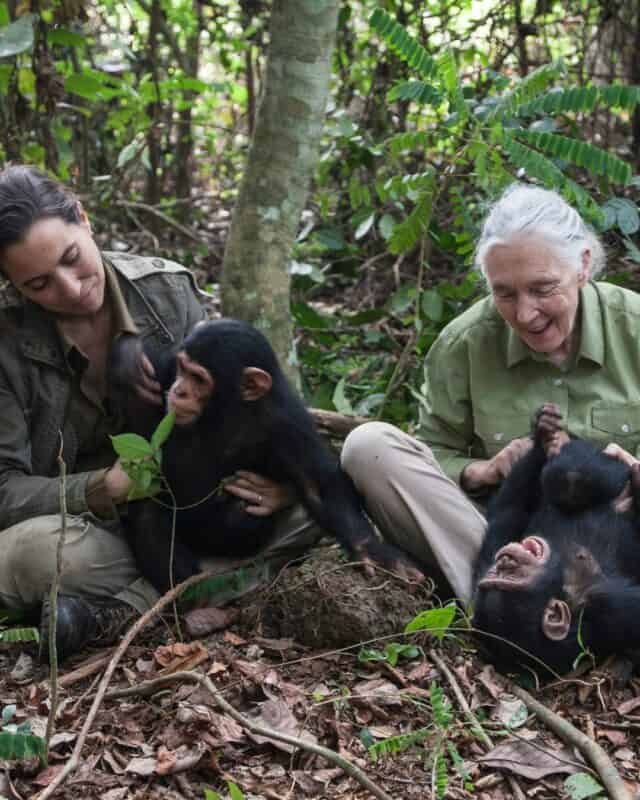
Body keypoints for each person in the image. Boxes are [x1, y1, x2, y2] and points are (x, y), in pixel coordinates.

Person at [0, 165, 318, 661]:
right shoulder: (6, 345)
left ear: (84, 220)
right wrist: (100, 488)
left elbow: (239, 409)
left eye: (72, 259)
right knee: (33, 554)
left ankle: (120, 612)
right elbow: (4, 489)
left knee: (320, 494)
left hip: (189, 503)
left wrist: (279, 484)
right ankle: (205, 588)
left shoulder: (167, 292)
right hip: (91, 528)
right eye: (39, 284)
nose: (70, 288)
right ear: (15, 288)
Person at [341, 182, 640, 605]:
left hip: (619, 548)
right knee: (367, 446)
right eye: (504, 293)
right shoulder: (463, 343)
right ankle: (504, 608)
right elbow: (433, 452)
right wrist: (483, 470)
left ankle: (570, 616)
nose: (524, 314)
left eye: (542, 288)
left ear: (583, 265)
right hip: (500, 547)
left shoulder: (634, 326)